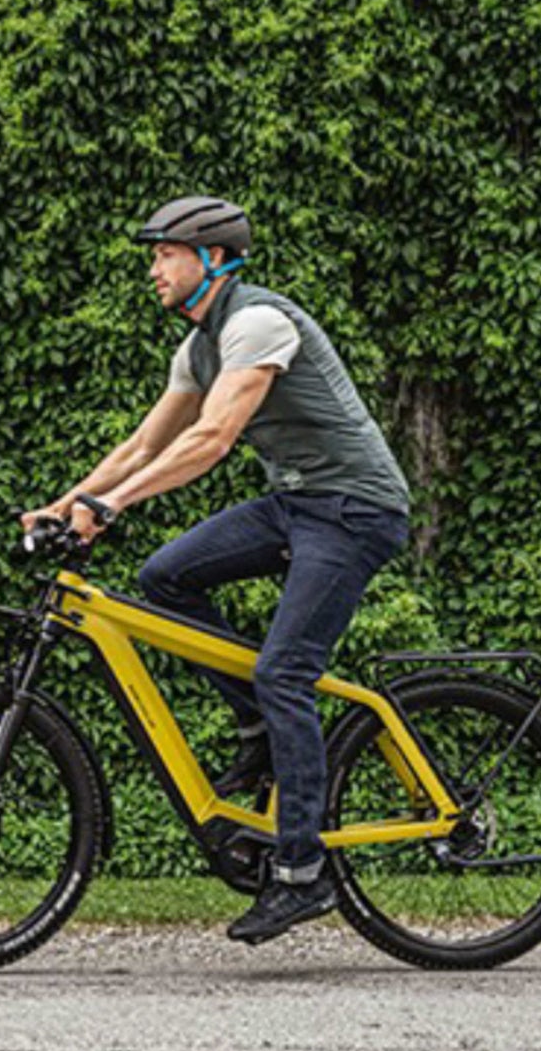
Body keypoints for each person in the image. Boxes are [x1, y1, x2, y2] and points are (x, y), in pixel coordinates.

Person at [21, 196, 412, 944]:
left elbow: (213, 439)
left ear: (212, 257)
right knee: (167, 576)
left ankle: (301, 873)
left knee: (286, 672)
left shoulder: (258, 323)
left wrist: (111, 507)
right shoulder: (197, 347)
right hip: (297, 504)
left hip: (355, 509)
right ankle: (261, 728)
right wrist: (65, 502)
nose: (153, 269)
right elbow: (141, 447)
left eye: (165, 253)